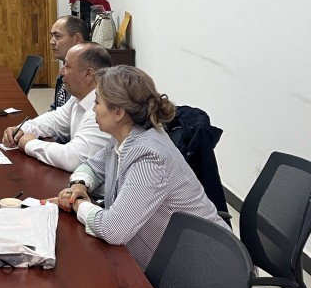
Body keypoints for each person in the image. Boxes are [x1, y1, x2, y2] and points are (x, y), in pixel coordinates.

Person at [47, 65, 227, 270]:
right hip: (166, 257)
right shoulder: (124, 138)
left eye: (97, 102)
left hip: (201, 269)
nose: (93, 109)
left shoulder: (149, 155)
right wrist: (79, 186)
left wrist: (78, 204)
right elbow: (92, 167)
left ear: (118, 112)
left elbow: (113, 229)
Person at [3, 42, 112, 171]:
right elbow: (54, 120)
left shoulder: (103, 109)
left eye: (67, 66)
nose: (61, 72)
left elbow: (73, 159)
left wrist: (30, 144)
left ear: (88, 74)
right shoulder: (79, 98)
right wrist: (23, 129)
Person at [49, 15, 90, 110]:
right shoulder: (64, 71)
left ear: (77, 39)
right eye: (52, 36)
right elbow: (56, 109)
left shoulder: (84, 78)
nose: (51, 42)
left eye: (57, 36)